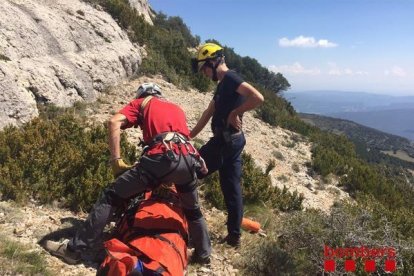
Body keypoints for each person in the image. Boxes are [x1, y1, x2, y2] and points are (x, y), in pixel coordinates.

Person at [44, 83, 211, 265]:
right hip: (189, 159)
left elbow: (114, 122)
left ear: (141, 95)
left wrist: (116, 160)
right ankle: (203, 255)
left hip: (162, 157)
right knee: (192, 210)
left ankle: (74, 250)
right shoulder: (176, 108)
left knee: (111, 196)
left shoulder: (142, 103)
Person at [190, 43, 264, 247]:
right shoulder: (223, 85)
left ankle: (187, 224)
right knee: (231, 189)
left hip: (225, 142)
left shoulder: (231, 78)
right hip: (232, 141)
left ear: (213, 62)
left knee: (189, 171)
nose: (204, 73)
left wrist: (234, 113)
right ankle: (234, 237)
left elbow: (257, 97)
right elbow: (208, 112)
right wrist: (189, 135)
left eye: (204, 68)